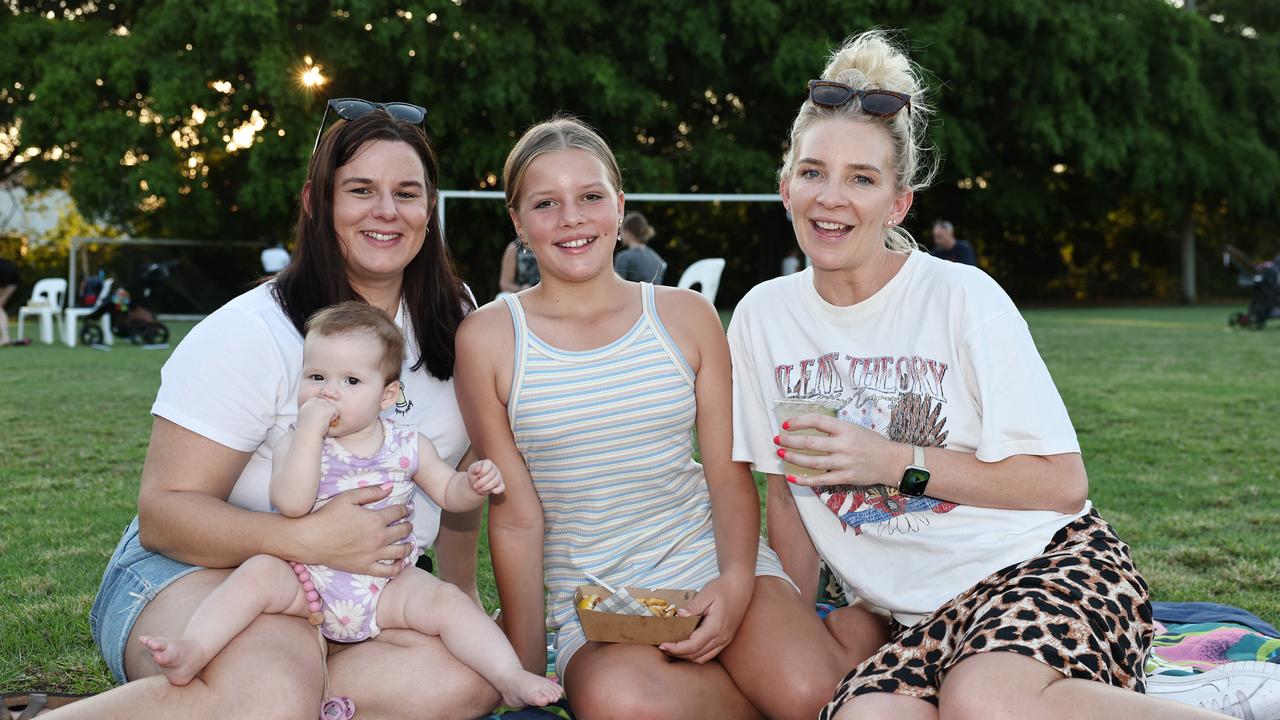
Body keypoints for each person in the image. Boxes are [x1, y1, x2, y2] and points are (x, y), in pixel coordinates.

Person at [729, 30, 1237, 720]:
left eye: (862, 179)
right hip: (919, 622)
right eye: (814, 172)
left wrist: (895, 461)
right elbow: (786, 500)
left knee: (985, 701)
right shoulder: (762, 317)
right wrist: (801, 622)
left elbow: (1063, 484)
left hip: (1046, 570)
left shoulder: (961, 297)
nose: (831, 198)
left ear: (898, 204)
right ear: (785, 186)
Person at [54, 102, 499, 720]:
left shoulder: (457, 318)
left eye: (406, 192)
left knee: (466, 679)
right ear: (317, 201)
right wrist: (306, 539)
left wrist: (462, 595)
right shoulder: (250, 331)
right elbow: (164, 515)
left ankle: (257, 695)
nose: (386, 211)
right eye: (360, 190)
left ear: (430, 209)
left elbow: (457, 467)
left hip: (361, 597)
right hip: (203, 576)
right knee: (271, 695)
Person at [454, 117, 877, 720]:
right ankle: (837, 650)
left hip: (710, 559)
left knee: (810, 694)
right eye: (546, 204)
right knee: (623, 704)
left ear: (620, 207)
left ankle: (834, 643)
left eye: (591, 197)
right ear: (519, 223)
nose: (572, 218)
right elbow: (516, 517)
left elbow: (728, 476)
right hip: (597, 602)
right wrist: (525, 674)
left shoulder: (685, 315)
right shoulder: (490, 338)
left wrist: (732, 587)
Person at [136, 302, 561, 709]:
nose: (329, 393)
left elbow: (448, 492)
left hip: (385, 585)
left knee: (447, 603)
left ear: (387, 395)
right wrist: (309, 434)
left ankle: (509, 676)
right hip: (304, 580)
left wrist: (472, 484)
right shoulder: (296, 441)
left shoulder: (406, 443)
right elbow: (291, 503)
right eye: (316, 377)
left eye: (351, 382)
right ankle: (196, 647)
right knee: (257, 575)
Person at [614, 211, 667, 283]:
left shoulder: (624, 257)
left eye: (621, 230)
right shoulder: (658, 259)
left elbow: (617, 286)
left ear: (628, 232)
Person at [0, 257, 18, 346]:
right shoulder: (4, 263)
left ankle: (5, 337)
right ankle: (5, 337)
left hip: (8, 279)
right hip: (13, 280)